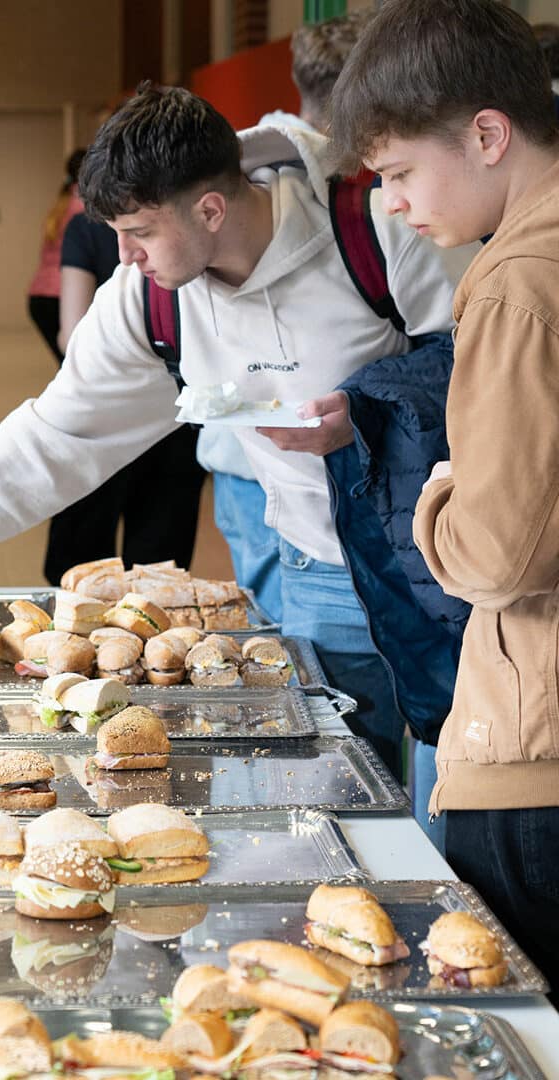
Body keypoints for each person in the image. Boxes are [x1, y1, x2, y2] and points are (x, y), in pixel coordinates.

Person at [0, 85, 467, 780]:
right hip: (317, 567)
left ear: (210, 209)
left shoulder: (377, 230)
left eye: (138, 232)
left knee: (460, 781)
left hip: (451, 564)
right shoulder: (148, 299)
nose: (124, 255)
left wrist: (368, 411)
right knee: (347, 784)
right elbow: (52, 439)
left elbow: (493, 363)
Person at [330, 0, 559, 992]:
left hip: (532, 755)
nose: (389, 204)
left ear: (485, 134)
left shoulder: (515, 281)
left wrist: (436, 496)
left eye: (398, 173)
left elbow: (498, 552)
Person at [200, 8, 376, 628]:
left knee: (281, 641)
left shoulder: (238, 162)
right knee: (304, 652)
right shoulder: (340, 195)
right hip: (271, 473)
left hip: (242, 466)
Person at [40, 208, 205, 583]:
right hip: (177, 409)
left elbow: (71, 334)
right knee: (159, 574)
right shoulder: (186, 222)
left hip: (101, 415)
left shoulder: (85, 228)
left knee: (81, 573)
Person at [26, 148, 86, 363]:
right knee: (76, 366)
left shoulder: (61, 204)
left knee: (69, 365)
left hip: (39, 296)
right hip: (62, 296)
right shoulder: (83, 209)